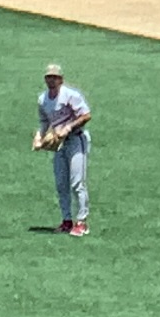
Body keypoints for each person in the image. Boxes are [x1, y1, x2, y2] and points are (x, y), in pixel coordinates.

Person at [34, 64, 90, 235]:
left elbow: (86, 115)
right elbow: (44, 121)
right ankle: (67, 221)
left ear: (61, 79)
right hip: (60, 144)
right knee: (61, 184)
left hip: (76, 140)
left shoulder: (70, 95)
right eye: (48, 77)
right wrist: (39, 137)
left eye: (54, 77)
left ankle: (81, 222)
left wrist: (68, 128)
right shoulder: (43, 99)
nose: (51, 80)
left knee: (77, 182)